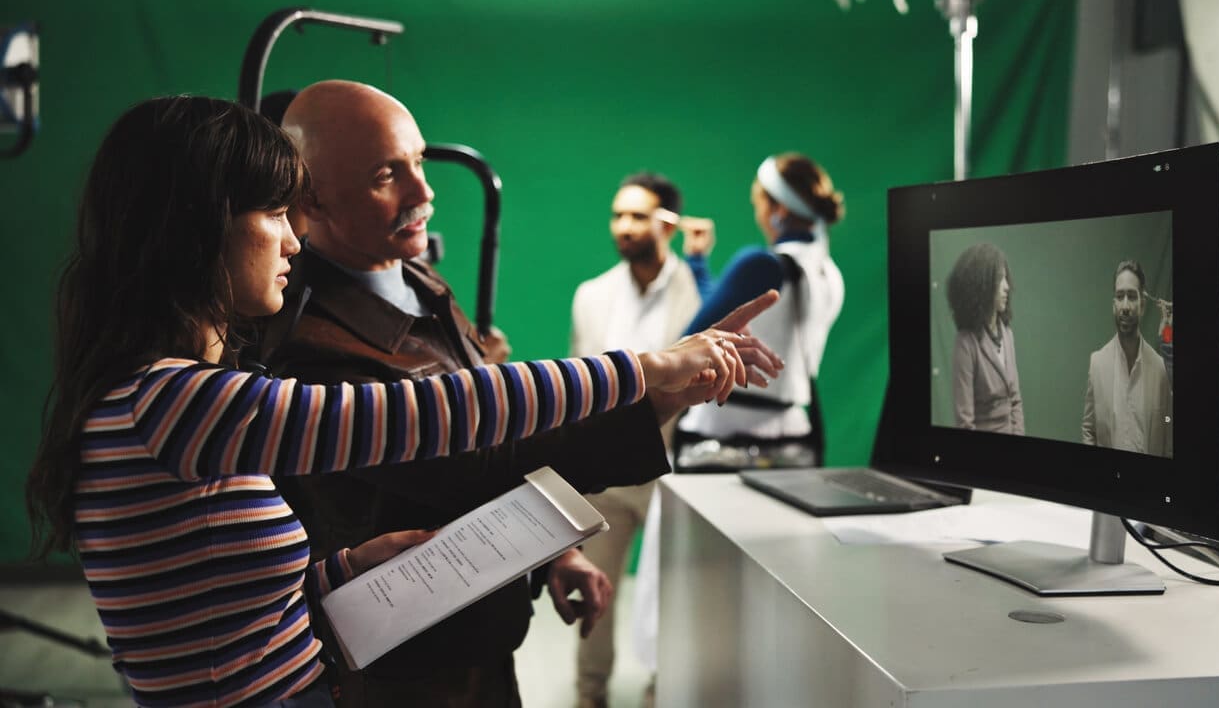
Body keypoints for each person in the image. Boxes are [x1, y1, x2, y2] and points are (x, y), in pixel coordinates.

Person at [23, 95, 777, 708]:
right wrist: (646, 369)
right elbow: (439, 413)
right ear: (195, 231)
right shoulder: (182, 403)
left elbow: (218, 611)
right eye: (275, 215)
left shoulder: (175, 401)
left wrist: (344, 569)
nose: (292, 241)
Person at [264, 82, 772, 708]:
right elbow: (477, 459)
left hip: (482, 638)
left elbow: (499, 424)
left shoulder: (421, 283)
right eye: (384, 175)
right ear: (309, 198)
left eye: (419, 162)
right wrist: (654, 389)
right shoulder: (309, 348)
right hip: (401, 671)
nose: (424, 192)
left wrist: (555, 551)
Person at [569, 172, 700, 708]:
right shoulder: (592, 295)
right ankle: (589, 692)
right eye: (618, 215)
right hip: (608, 471)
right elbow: (579, 382)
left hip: (679, 472)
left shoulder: (700, 292)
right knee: (594, 586)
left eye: (638, 216)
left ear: (666, 223)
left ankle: (664, 688)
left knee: (675, 593)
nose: (624, 227)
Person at [674, 152, 845, 470]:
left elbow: (691, 341)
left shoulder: (762, 264)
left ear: (778, 209)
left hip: (721, 441)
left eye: (760, 205)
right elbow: (729, 314)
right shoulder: (829, 274)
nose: (759, 216)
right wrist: (698, 262)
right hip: (792, 440)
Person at [1081, 259, 1173, 456]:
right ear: (1113, 304)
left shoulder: (1161, 369)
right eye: (1119, 296)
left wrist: (1168, 335)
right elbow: (1089, 429)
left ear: (1142, 305)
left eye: (1131, 296)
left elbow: (1168, 423)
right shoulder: (1097, 363)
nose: (1125, 306)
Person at [944, 242, 1024, 434]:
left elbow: (1016, 401)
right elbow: (965, 422)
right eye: (999, 279)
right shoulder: (966, 344)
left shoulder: (1007, 335)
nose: (1007, 287)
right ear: (982, 285)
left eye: (1006, 278)